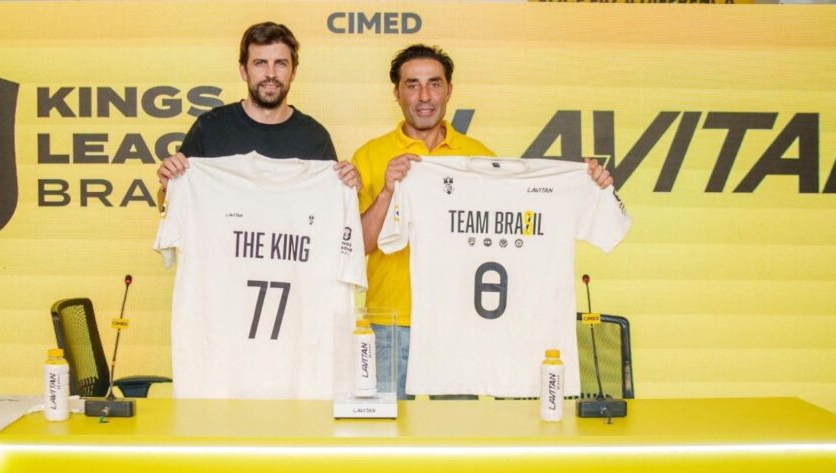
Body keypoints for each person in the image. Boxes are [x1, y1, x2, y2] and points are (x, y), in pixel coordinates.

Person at [352, 44, 614, 400]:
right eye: (412, 85)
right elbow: (357, 247)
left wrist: (588, 184)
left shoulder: (480, 157)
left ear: (449, 90)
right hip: (391, 323)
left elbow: (525, 223)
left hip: (461, 324)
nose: (424, 96)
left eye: (434, 83)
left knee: (459, 430)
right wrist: (387, 192)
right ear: (396, 93)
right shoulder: (369, 155)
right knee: (386, 428)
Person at [156, 21, 360, 202]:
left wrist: (349, 191)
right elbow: (169, 206)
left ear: (293, 72)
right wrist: (168, 187)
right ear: (244, 71)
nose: (271, 74)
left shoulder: (315, 137)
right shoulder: (210, 128)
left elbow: (329, 212)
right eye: (260, 63)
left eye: (280, 63)